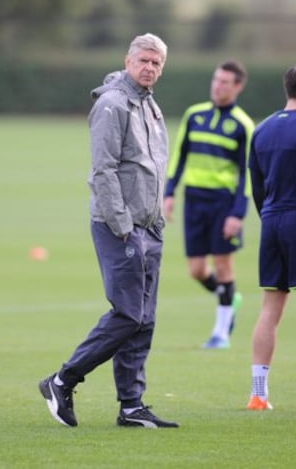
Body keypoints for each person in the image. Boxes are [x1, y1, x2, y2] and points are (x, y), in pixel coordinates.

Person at [39, 33, 179, 429]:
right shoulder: (113, 104)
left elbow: (150, 167)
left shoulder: (149, 105)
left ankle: (132, 406)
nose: (150, 67)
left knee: (144, 319)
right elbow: (104, 171)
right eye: (144, 61)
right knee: (128, 315)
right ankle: (62, 380)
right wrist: (123, 227)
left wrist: (155, 221)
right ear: (128, 60)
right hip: (120, 227)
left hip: (150, 227)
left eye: (157, 63)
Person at [247, 63, 296, 413]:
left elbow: (257, 189)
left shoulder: (261, 130)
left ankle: (258, 395)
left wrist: (270, 216)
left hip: (271, 221)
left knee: (270, 308)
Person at [163, 60, 254, 349]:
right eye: (216, 80)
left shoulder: (243, 125)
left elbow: (246, 173)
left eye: (225, 82)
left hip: (223, 203)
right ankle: (229, 297)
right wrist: (169, 192)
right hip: (194, 200)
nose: (218, 86)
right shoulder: (194, 115)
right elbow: (179, 156)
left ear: (237, 86)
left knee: (224, 264)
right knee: (197, 270)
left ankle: (220, 333)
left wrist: (237, 213)